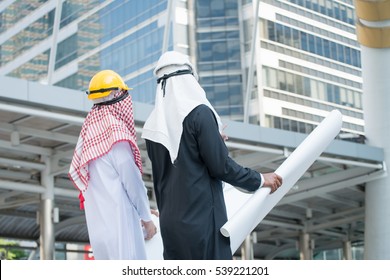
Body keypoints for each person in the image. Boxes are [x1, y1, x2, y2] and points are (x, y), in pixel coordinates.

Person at [142, 51, 283, 260]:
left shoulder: (152, 127)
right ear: (189, 79)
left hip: (171, 228)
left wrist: (212, 138)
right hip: (202, 225)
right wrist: (261, 179)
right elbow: (221, 166)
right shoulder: (200, 114)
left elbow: (177, 162)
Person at [68, 70, 157, 260]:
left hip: (100, 233)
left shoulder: (88, 134)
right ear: (118, 95)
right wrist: (147, 219)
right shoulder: (116, 135)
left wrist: (140, 211)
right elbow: (132, 183)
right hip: (122, 231)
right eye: (124, 94)